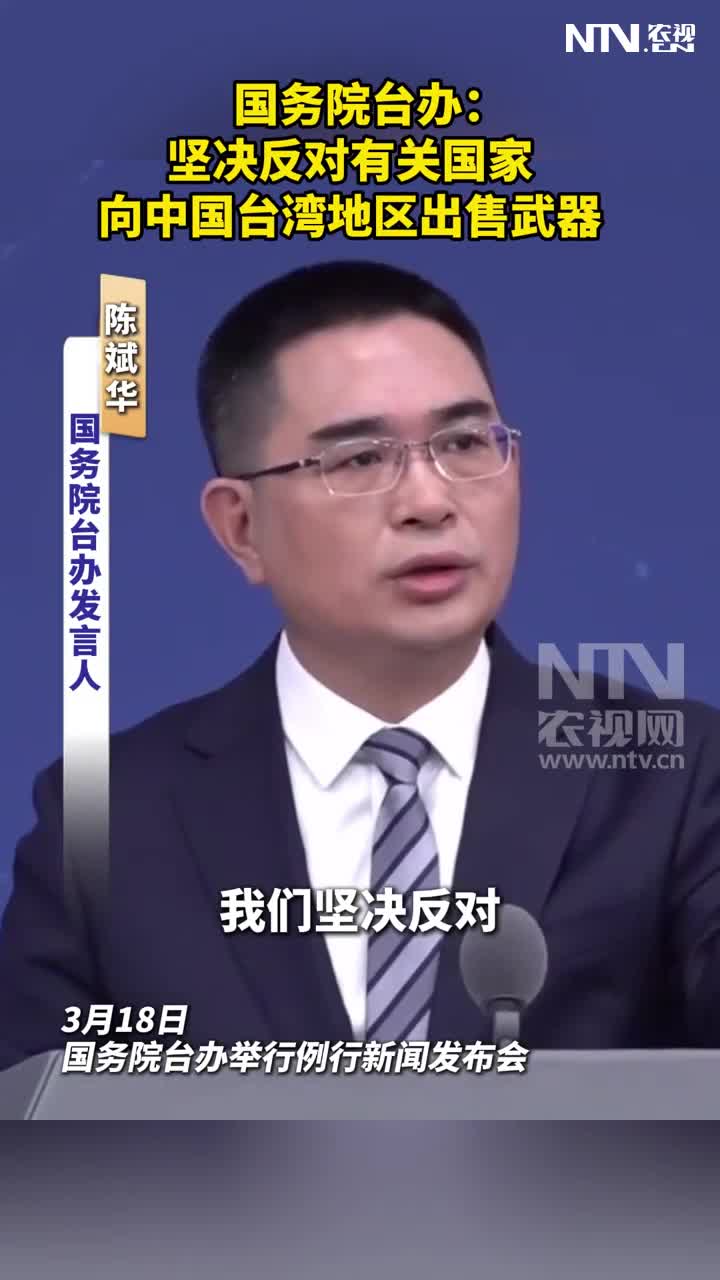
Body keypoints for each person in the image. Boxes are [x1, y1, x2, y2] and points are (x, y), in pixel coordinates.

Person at [1, 259, 719, 1074]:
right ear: (241, 528)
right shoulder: (109, 815)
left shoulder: (672, 776)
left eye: (463, 443)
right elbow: (34, 1126)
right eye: (359, 460)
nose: (429, 501)